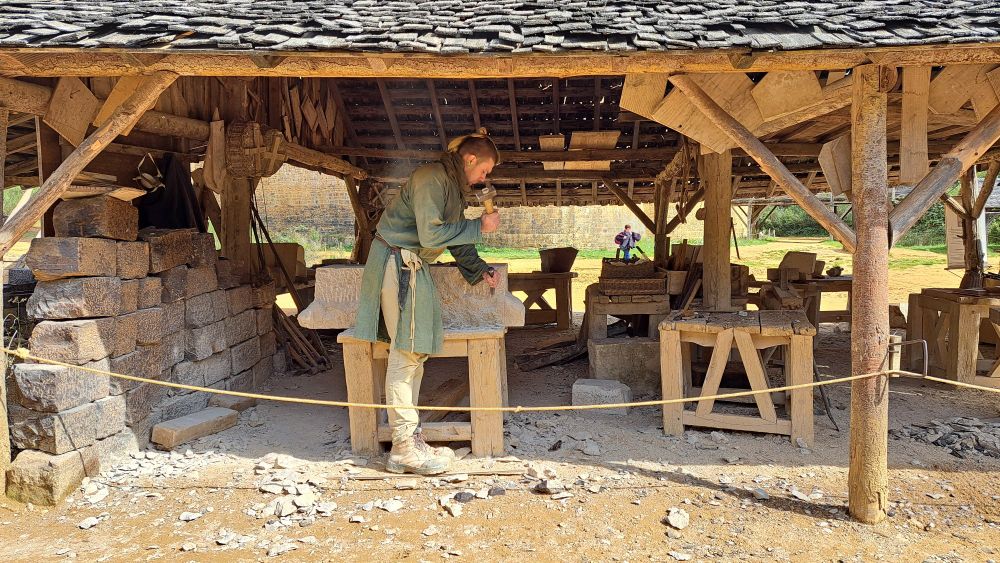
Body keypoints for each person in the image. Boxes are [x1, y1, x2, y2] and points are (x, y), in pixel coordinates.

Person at [354, 130, 501, 475]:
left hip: (411, 265)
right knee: (405, 355)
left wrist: (479, 269)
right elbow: (432, 235)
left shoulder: (451, 187)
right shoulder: (431, 178)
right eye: (485, 171)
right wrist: (480, 226)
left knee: (414, 352)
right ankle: (403, 448)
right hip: (398, 263)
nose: (485, 179)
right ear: (470, 159)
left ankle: (412, 439)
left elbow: (453, 233)